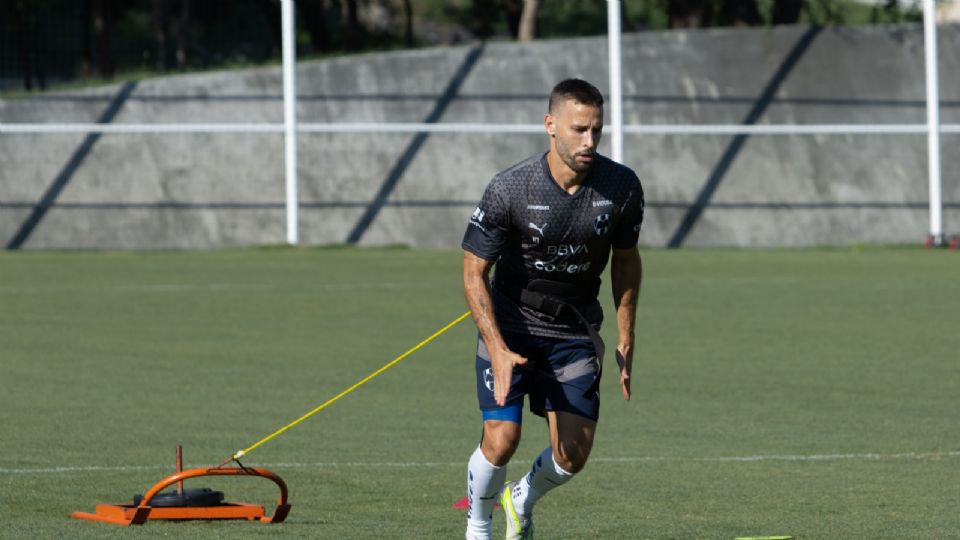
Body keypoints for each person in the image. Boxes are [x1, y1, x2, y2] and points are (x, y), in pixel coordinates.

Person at [461, 78, 644, 540]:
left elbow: (626, 261)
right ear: (550, 125)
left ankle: (520, 498)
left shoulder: (621, 187)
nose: (589, 141)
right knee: (502, 440)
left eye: (596, 131)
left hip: (573, 333)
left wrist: (626, 335)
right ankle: (478, 526)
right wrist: (496, 347)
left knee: (573, 456)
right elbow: (472, 272)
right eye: (579, 129)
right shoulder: (510, 188)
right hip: (511, 327)